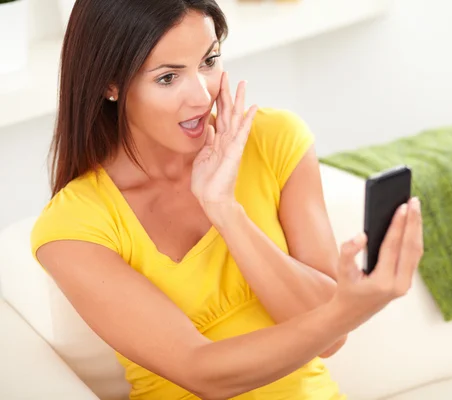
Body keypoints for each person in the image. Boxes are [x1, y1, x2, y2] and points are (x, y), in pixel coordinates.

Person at [30, 0, 424, 399]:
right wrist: (346, 310)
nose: (202, 97)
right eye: (168, 78)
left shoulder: (274, 141)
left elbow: (328, 340)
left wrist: (226, 212)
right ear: (110, 84)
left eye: (208, 61)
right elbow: (201, 372)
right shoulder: (72, 228)